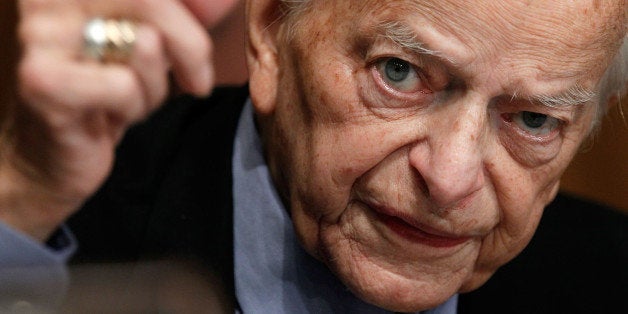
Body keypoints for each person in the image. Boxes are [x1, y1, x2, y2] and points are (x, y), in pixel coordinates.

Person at [1, 0, 626, 313]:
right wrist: (23, 192)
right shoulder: (62, 220)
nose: (451, 179)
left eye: (535, 119)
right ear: (271, 31)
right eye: (400, 73)